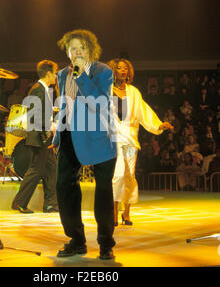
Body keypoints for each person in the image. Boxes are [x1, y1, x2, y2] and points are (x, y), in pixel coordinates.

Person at [50, 29, 117, 260]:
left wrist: (81, 77)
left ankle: (106, 242)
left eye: (82, 48)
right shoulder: (61, 75)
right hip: (69, 135)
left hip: (99, 137)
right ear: (67, 52)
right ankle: (76, 240)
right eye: (73, 48)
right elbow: (65, 107)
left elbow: (99, 103)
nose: (77, 52)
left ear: (91, 50)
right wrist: (58, 135)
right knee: (63, 186)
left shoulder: (103, 71)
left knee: (104, 191)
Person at [107, 59, 174, 226]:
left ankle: (127, 212)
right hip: (114, 137)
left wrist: (158, 125)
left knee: (129, 174)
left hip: (131, 138)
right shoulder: (106, 91)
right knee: (118, 174)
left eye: (125, 69)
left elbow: (144, 111)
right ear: (113, 71)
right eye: (119, 68)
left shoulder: (134, 92)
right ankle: (113, 210)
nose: (122, 71)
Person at [11, 60, 59, 214]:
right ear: (48, 74)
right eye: (55, 73)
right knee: (36, 171)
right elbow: (35, 116)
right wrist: (46, 133)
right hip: (40, 137)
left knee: (52, 169)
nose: (56, 77)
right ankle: (20, 203)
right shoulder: (38, 90)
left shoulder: (42, 90)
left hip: (43, 136)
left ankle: (51, 204)